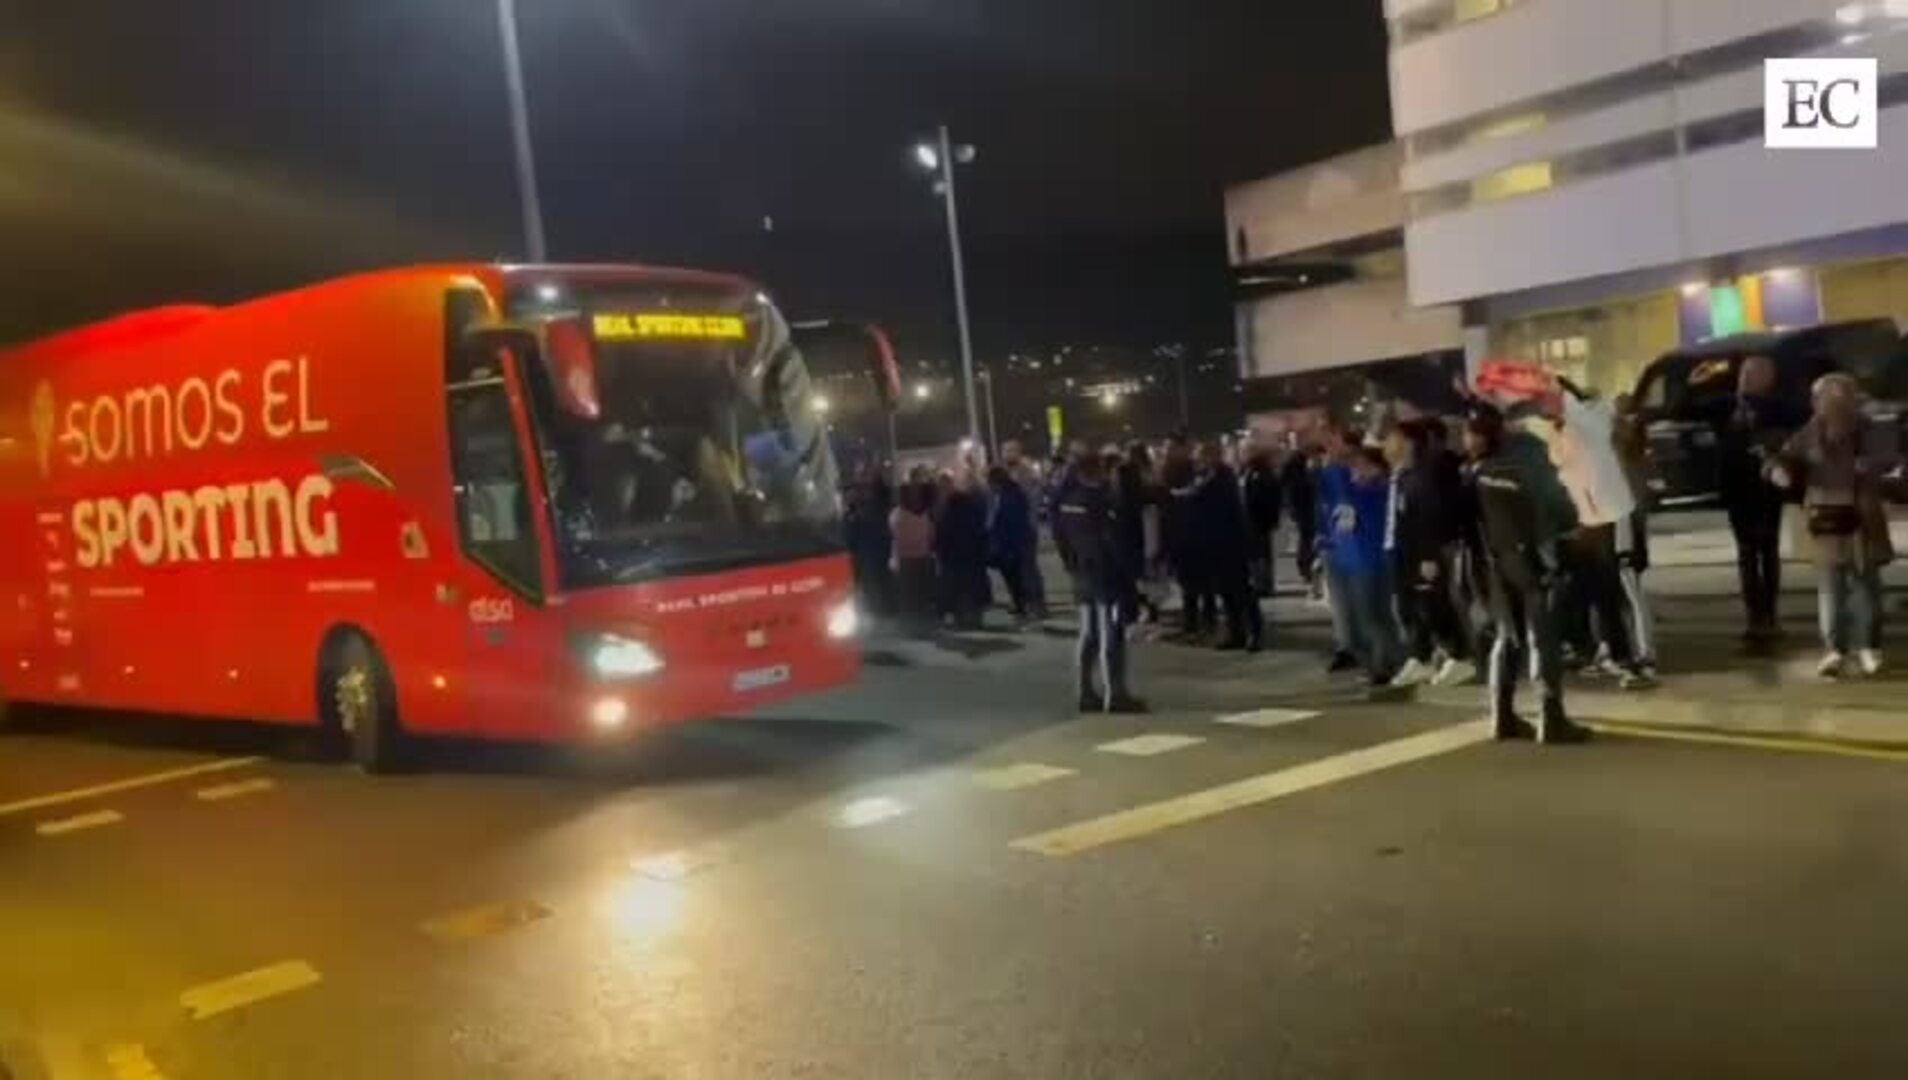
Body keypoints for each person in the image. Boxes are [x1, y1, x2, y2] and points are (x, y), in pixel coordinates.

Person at [1466, 404, 1590, 744]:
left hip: (1498, 559)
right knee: (1543, 637)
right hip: (1536, 557)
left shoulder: (1479, 470)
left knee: (1508, 636)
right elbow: (1557, 503)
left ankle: (1502, 715)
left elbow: (1469, 520)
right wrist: (1571, 527)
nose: (1469, 439)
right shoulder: (1528, 458)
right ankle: (1551, 718)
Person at [1769, 372, 1897, 678]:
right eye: (1828, 398)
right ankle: (1834, 649)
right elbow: (1782, 459)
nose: (1833, 404)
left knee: (1866, 587)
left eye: (1841, 397)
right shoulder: (1808, 434)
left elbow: (1889, 462)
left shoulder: (1869, 430)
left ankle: (1868, 646)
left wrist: (1877, 471)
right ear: (1817, 402)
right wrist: (1778, 471)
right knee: (1830, 590)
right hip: (1825, 522)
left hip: (1862, 521)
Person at [1545, 381, 1655, 690]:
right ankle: (1617, 655)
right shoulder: (1563, 431)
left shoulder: (1596, 420)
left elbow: (1603, 428)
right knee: (1601, 591)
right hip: (1590, 521)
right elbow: (1562, 465)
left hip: (1616, 515)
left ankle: (1643, 659)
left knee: (1625, 584)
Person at [1716, 354, 1806, 648]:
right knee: (1746, 553)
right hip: (1737, 489)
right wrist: (1698, 381)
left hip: (1767, 489)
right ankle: (1754, 618)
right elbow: (1681, 410)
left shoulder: (1779, 407)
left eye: (1754, 373)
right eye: (1744, 372)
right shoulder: (1727, 404)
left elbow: (1800, 423)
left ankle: (1770, 615)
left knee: (1767, 551)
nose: (1746, 377)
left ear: (1768, 378)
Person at [1384, 419, 1476, 687]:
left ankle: (1460, 657)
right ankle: (1420, 657)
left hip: (1423, 552)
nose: (1387, 445)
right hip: (1401, 551)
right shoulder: (1402, 474)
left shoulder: (1425, 475)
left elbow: (1430, 518)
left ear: (1409, 442)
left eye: (1393, 438)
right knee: (1408, 608)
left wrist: (1429, 556)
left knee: (1434, 605)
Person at [1055, 451, 1146, 713]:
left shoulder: (1068, 501)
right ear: (1097, 472)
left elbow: (1061, 538)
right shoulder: (1103, 501)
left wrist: (1072, 564)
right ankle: (1115, 694)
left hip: (1082, 575)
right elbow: (1113, 542)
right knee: (1111, 635)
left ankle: (1084, 691)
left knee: (1088, 634)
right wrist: (1130, 578)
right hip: (1108, 577)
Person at [1322, 441, 1402, 686]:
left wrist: (1334, 463)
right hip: (1356, 562)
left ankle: (1385, 666)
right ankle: (1382, 664)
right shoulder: (1365, 491)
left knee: (1372, 618)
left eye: (1360, 467)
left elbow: (1343, 490)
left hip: (1369, 563)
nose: (1354, 472)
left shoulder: (1378, 492)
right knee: (1372, 617)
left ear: (1377, 469)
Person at [1194, 441, 1264, 651]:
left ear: (1213, 456)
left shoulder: (1222, 477)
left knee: (1241, 591)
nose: (1198, 461)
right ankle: (1236, 633)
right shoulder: (1212, 476)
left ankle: (1253, 632)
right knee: (1226, 592)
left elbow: (1229, 511)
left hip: (1231, 543)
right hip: (1218, 543)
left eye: (1202, 456)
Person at [1314, 429, 1366, 672]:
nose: (1329, 449)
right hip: (1333, 543)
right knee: (1340, 600)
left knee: (1356, 598)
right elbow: (1321, 507)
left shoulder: (1357, 473)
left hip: (1354, 544)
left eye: (1335, 443)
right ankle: (1346, 645)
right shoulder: (1327, 473)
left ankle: (1359, 644)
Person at [1160, 434, 1215, 640]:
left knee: (1201, 581)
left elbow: (1195, 495)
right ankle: (1192, 620)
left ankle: (1204, 619)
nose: (1166, 452)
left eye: (1170, 448)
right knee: (1187, 582)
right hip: (1177, 533)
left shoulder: (1194, 470)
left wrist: (1177, 495)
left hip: (1195, 533)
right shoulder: (1167, 471)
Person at [998, 440, 1050, 619]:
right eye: (1005, 452)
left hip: (1026, 526)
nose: (1006, 455)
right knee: (1019, 567)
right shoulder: (1009, 471)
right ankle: (1024, 603)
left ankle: (1038, 605)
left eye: (1009, 451)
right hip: (1015, 527)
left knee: (1028, 567)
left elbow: (1030, 497)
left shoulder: (1025, 472)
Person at [934, 469, 990, 630]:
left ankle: (961, 618)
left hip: (954, 560)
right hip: (971, 557)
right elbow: (981, 533)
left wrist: (940, 553)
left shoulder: (946, 514)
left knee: (957, 589)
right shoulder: (971, 512)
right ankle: (975, 617)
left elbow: (941, 537)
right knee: (972, 588)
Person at [986, 465, 1036, 624]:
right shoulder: (1008, 493)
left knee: (1015, 577)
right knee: (1013, 577)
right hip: (1009, 542)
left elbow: (1010, 520)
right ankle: (1020, 605)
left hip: (1010, 543)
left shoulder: (1009, 496)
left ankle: (1023, 607)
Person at [889, 481, 937, 636]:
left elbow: (893, 534)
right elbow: (931, 536)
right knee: (920, 594)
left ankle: (909, 627)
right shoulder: (924, 515)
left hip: (904, 560)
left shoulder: (896, 515)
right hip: (922, 558)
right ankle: (922, 626)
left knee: (907, 596)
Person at [1243, 441, 1284, 599]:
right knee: (1260, 553)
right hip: (1259, 520)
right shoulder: (1258, 473)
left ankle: (1263, 585)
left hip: (1258, 520)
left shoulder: (1260, 475)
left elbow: (1265, 499)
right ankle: (1263, 583)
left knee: (1259, 554)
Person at [1282, 437, 1319, 592]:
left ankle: (1305, 566)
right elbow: (1299, 487)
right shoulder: (1300, 466)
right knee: (1308, 537)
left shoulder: (1292, 464)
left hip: (1301, 506)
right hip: (1305, 506)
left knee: (1306, 537)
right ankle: (1306, 567)